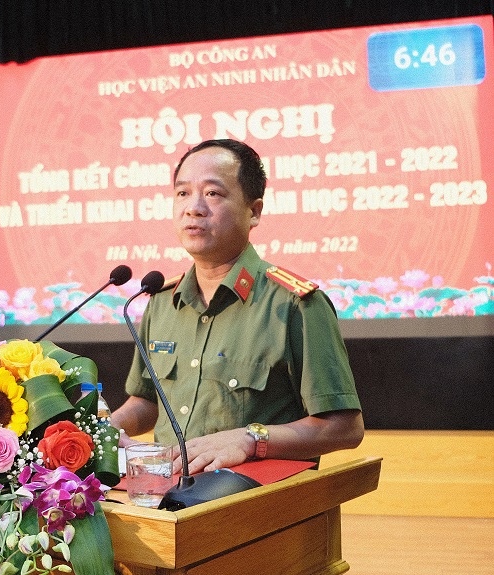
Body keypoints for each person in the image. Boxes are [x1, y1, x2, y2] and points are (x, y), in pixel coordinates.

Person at [110, 139, 364, 475]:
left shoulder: (294, 305)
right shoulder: (161, 302)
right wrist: (107, 428)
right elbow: (147, 401)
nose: (193, 208)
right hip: (167, 492)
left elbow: (345, 427)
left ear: (254, 212)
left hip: (253, 497)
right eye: (183, 193)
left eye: (213, 193)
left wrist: (250, 439)